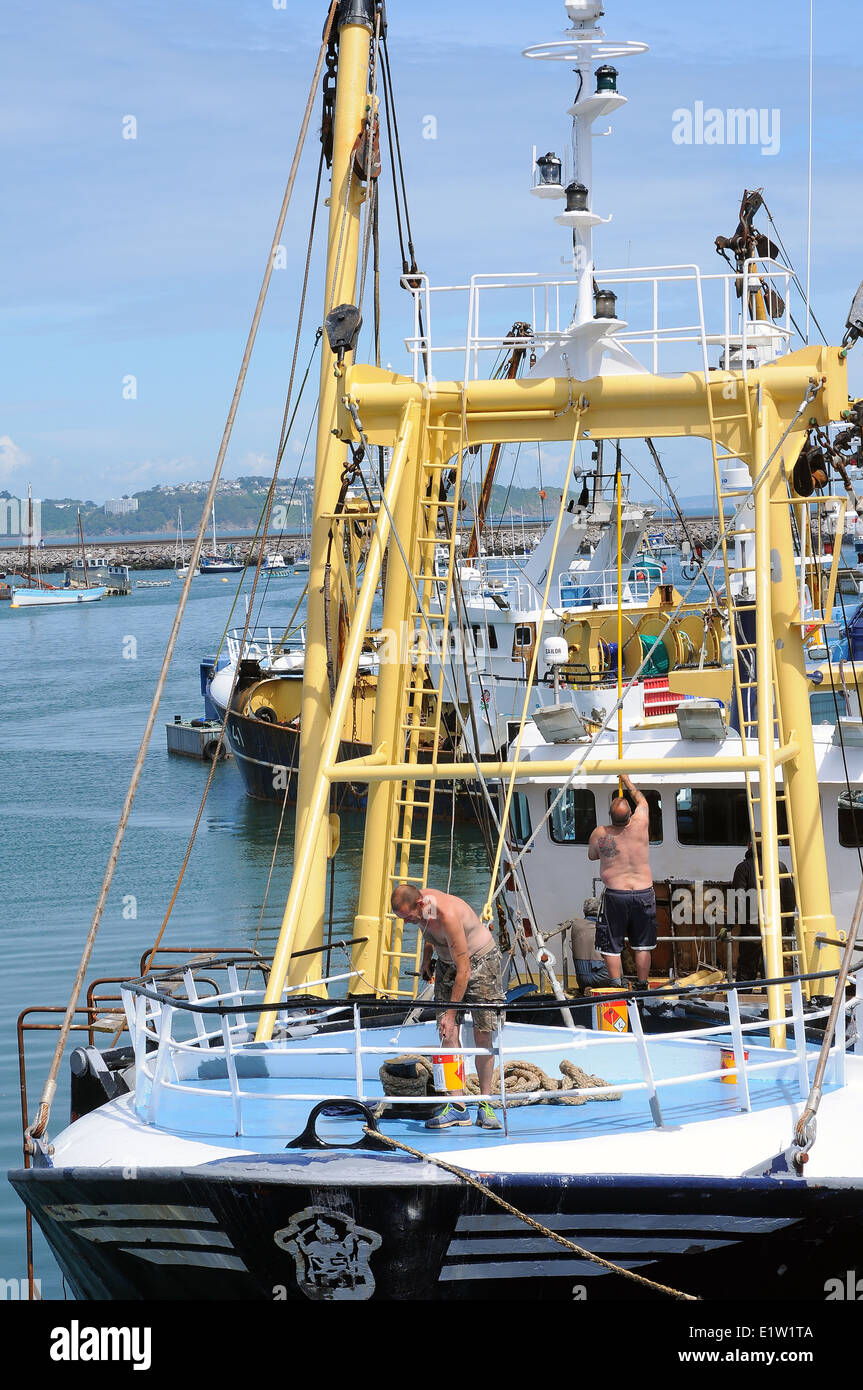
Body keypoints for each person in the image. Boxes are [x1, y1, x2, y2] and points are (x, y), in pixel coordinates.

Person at [390, 884, 503, 1130]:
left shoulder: (448, 914)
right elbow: (428, 929)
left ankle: (485, 1103)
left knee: (482, 1032)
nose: (408, 922)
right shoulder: (423, 906)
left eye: (408, 917)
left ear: (419, 904)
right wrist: (425, 959)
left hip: (478, 962)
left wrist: (451, 1014)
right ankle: (458, 1106)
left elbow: (465, 970)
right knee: (446, 1033)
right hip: (446, 962)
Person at [587, 774, 657, 990]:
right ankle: (642, 984)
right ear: (630, 815)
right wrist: (626, 781)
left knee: (611, 944)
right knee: (642, 945)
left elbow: (592, 855)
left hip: (616, 895)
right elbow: (642, 800)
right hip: (644, 892)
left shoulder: (601, 834)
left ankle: (616, 985)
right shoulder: (641, 821)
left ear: (610, 816)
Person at [726, 840, 796, 982]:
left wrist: (728, 926)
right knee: (771, 965)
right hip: (776, 925)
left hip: (752, 925)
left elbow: (737, 899)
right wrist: (789, 926)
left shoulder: (743, 867)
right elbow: (789, 899)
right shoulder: (780, 866)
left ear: (749, 846)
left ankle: (743, 996)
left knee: (747, 964)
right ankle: (771, 997)